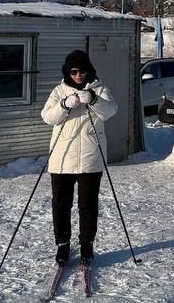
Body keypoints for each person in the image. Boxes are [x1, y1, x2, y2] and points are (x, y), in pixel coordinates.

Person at [41, 49, 118, 265]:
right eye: (74, 71)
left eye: (82, 71)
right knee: (61, 205)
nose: (78, 75)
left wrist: (93, 99)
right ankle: (62, 245)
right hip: (62, 158)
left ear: (89, 71)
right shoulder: (59, 91)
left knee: (88, 205)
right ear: (68, 72)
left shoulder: (99, 88)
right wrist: (64, 105)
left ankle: (87, 245)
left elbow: (111, 111)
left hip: (90, 158)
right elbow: (48, 117)